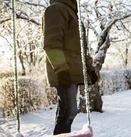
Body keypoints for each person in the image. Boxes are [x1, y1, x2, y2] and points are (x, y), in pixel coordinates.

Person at [43, 0, 97, 135]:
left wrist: (90, 69)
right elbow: (52, 42)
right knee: (67, 112)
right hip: (65, 69)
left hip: (72, 68)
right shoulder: (57, 9)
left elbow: (81, 49)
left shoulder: (71, 12)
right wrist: (61, 69)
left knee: (68, 112)